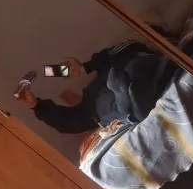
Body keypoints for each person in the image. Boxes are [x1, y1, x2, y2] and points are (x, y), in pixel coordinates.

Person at [15, 40, 170, 134]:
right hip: (110, 96)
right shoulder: (89, 105)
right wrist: (36, 105)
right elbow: (65, 123)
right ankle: (130, 109)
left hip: (136, 67)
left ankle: (132, 109)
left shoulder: (125, 54)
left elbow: (130, 45)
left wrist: (87, 66)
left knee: (136, 70)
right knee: (109, 105)